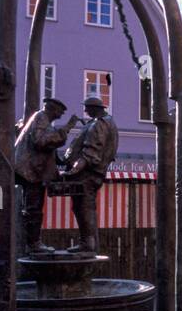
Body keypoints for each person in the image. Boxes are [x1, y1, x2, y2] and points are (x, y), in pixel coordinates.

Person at [13, 97, 78, 253]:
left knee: (33, 207)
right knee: (33, 208)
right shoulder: (41, 117)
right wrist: (66, 129)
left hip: (33, 170)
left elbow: (46, 147)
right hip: (31, 171)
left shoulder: (42, 120)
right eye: (60, 113)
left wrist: (63, 162)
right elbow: (40, 141)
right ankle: (33, 244)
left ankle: (33, 243)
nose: (61, 116)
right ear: (52, 109)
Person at [62, 91, 119, 254]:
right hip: (91, 173)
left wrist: (72, 171)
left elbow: (90, 153)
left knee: (83, 207)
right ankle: (89, 243)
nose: (85, 111)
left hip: (87, 174)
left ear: (94, 108)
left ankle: (87, 243)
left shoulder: (98, 124)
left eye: (87, 108)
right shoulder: (104, 122)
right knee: (84, 207)